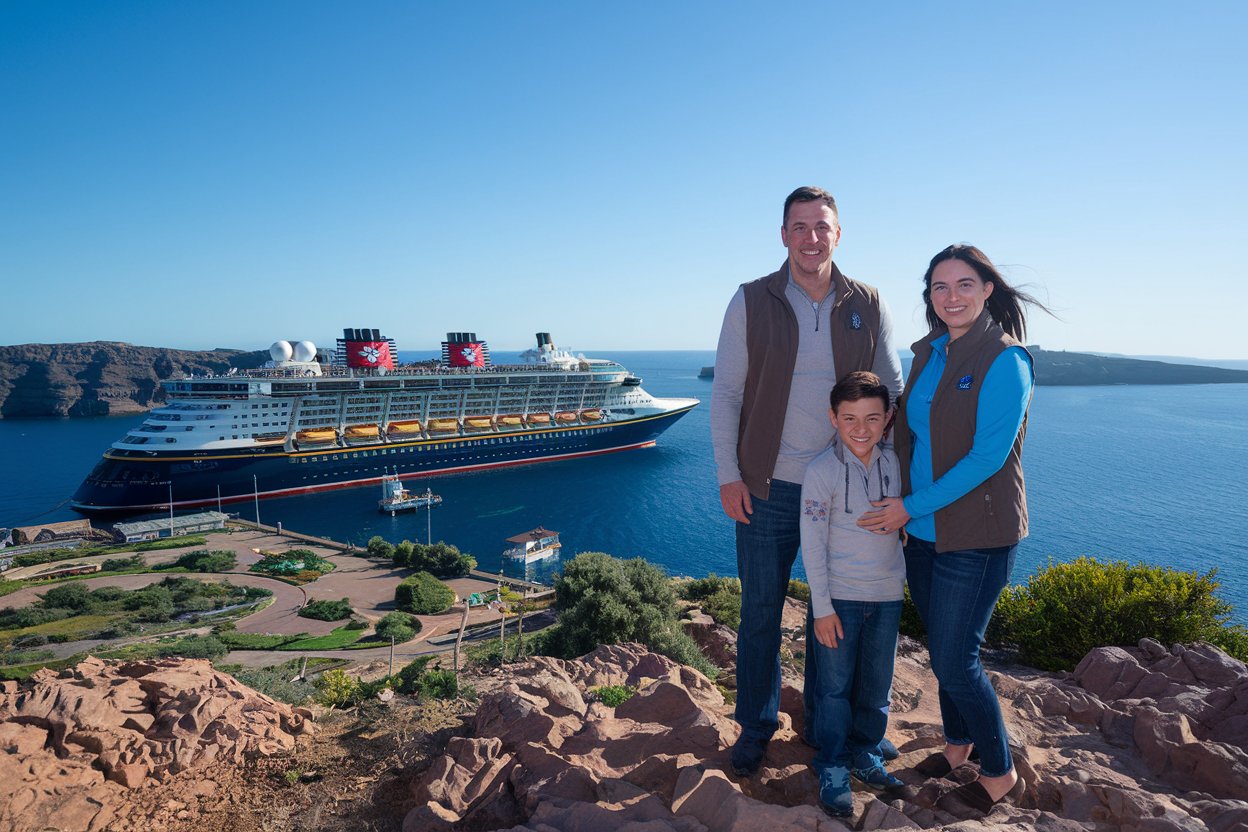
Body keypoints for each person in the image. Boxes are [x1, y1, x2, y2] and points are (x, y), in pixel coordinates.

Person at [711, 186, 903, 776]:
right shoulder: (751, 300)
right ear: (783, 234)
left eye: (821, 226)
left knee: (836, 613)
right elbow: (726, 394)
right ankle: (756, 727)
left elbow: (891, 392)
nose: (811, 237)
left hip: (847, 492)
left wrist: (888, 479)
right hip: (766, 487)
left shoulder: (867, 302)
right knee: (761, 613)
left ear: (838, 233)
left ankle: (829, 727)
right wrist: (729, 476)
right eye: (799, 226)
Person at [858, 243, 1043, 815]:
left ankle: (998, 772)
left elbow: (988, 457)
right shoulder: (931, 353)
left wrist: (907, 507)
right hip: (926, 531)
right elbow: (915, 430)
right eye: (940, 288)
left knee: (956, 658)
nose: (951, 297)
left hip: (979, 534)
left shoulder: (1005, 360)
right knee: (944, 650)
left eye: (964, 285)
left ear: (988, 289)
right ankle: (958, 747)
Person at [799, 372, 906, 817]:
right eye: (850, 418)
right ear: (833, 418)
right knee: (834, 688)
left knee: (876, 685)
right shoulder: (821, 471)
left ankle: (865, 750)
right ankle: (833, 762)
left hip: (886, 596)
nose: (861, 428)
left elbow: (905, 519)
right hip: (838, 599)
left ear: (888, 419)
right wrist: (821, 608)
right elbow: (812, 541)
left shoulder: (895, 464)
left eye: (872, 418)